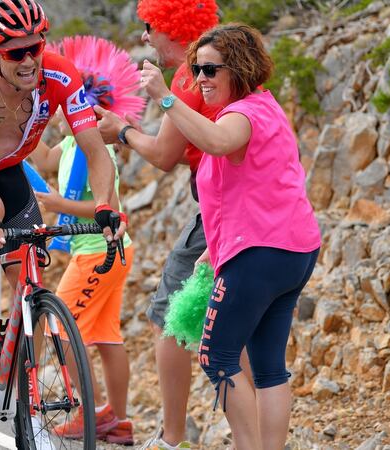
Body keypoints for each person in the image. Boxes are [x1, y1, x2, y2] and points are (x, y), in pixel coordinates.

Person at [138, 23, 321, 450]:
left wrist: (165, 98)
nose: (200, 79)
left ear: (239, 68)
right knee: (269, 367)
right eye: (196, 70)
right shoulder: (266, 106)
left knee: (216, 355)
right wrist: (213, 250)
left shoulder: (241, 116)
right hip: (294, 251)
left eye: (210, 70)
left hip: (260, 255)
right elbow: (255, 191)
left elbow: (218, 143)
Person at [0, 0, 126, 366]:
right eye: (16, 53)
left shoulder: (61, 75)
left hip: (6, 166)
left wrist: (104, 205)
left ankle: (21, 385)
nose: (29, 60)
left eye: (36, 47)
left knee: (30, 274)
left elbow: (96, 151)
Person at [96, 1, 249, 448]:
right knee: (247, 338)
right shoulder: (222, 64)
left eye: (150, 25)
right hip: (247, 209)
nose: (145, 36)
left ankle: (172, 438)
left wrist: (121, 132)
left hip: (218, 210)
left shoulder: (187, 73)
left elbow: (165, 156)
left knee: (167, 316)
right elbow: (191, 148)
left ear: (170, 24)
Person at [31, 117, 135, 445]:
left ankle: (95, 413)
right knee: (106, 336)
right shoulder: (71, 143)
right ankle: (118, 421)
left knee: (59, 328)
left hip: (98, 254)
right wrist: (20, 131)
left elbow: (109, 208)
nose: (54, 116)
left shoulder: (95, 148)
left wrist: (61, 205)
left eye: (61, 109)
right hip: (106, 251)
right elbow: (44, 159)